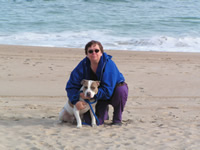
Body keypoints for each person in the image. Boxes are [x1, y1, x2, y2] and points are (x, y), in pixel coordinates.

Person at [66, 40, 128, 126]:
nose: (93, 53)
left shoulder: (109, 65)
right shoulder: (82, 65)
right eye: (90, 51)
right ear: (87, 54)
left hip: (111, 92)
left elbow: (108, 91)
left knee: (121, 90)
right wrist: (76, 100)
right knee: (90, 121)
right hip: (95, 97)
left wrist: (92, 95)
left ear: (101, 52)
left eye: (96, 50)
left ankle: (117, 118)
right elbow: (71, 86)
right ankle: (104, 113)